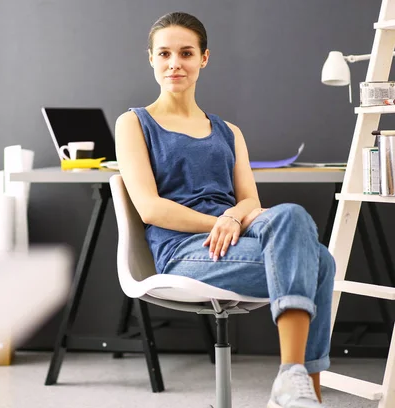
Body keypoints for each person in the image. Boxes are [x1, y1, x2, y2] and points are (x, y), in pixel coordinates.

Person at [114, 11, 336, 408]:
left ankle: (294, 385)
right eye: (164, 54)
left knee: (293, 215)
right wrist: (221, 220)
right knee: (319, 262)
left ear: (204, 58)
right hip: (185, 251)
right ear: (151, 58)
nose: (174, 63)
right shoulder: (134, 124)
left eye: (186, 53)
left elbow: (249, 200)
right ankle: (302, 389)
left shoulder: (228, 131)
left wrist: (233, 217)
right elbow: (150, 208)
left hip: (237, 233)